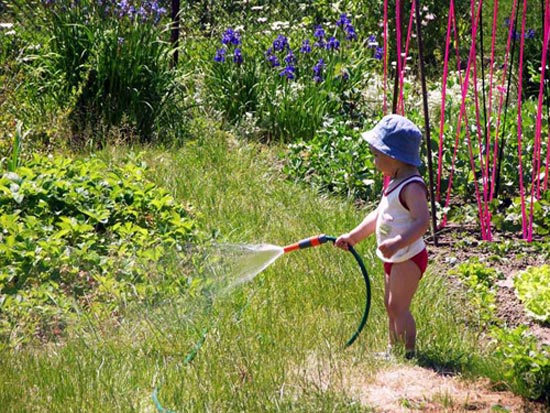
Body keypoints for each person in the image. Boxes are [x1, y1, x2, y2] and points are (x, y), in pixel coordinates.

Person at [335, 114, 430, 359]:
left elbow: (423, 222)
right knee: (390, 306)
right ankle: (393, 349)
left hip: (408, 257)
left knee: (399, 306)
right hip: (394, 256)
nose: (375, 160)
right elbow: (378, 214)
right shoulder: (395, 181)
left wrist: (399, 242)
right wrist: (353, 237)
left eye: (377, 155)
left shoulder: (412, 187)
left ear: (394, 156)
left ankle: (410, 354)